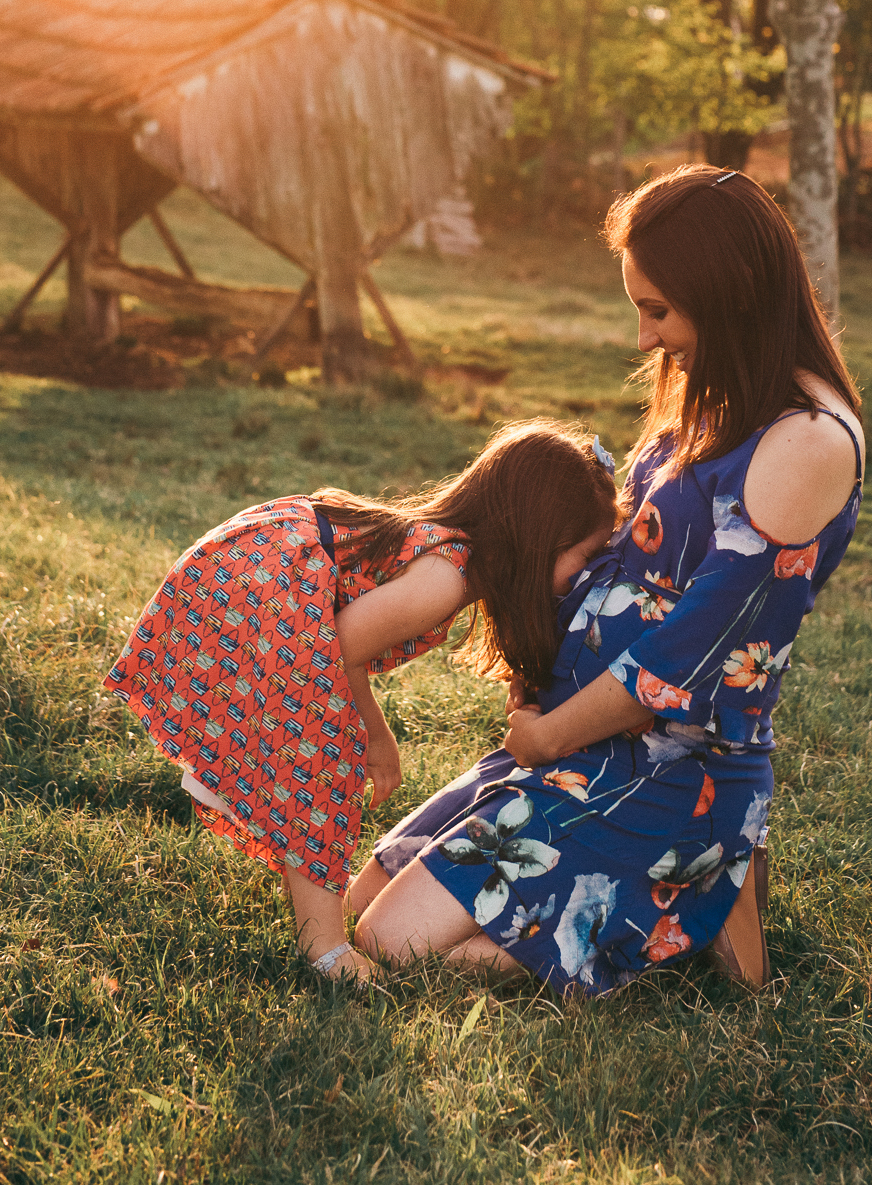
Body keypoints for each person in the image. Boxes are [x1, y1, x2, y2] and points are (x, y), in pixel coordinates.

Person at [351, 166, 865, 995]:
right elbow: (622, 556)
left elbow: (688, 655)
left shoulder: (806, 442)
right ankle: (662, 910)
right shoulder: (714, 397)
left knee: (394, 945)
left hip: (668, 770)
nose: (643, 339)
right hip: (587, 740)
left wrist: (548, 737)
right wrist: (532, 676)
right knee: (364, 902)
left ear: (729, 291)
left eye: (656, 310)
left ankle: (684, 908)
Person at [103, 420, 616, 981]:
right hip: (267, 591)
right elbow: (335, 650)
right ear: (538, 538)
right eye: (580, 555)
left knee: (313, 749)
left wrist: (373, 731)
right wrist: (371, 733)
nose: (580, 575)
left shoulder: (448, 551)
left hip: (256, 573)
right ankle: (324, 949)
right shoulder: (444, 579)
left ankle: (312, 911)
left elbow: (336, 647)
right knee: (324, 759)